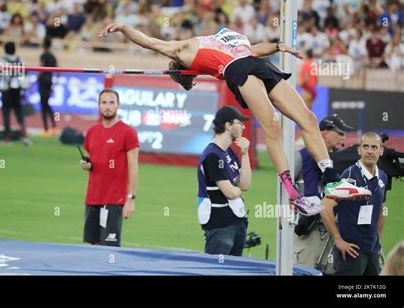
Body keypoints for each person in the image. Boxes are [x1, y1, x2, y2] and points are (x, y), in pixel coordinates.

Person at [98, 23, 370, 216]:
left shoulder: (227, 37)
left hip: (258, 64)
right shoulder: (183, 47)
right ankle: (292, 192)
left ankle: (332, 178)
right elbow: (150, 42)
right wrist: (123, 28)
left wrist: (278, 46)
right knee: (272, 125)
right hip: (237, 70)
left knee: (308, 118)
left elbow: (252, 49)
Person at [293, 114, 354, 274]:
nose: (344, 136)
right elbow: (284, 189)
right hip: (307, 231)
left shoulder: (340, 160)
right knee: (303, 271)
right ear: (325, 133)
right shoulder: (300, 157)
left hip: (333, 230)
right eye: (340, 132)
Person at [321, 132, 388, 275]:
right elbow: (325, 207)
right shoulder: (348, 176)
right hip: (351, 251)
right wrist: (338, 240)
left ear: (381, 151)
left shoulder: (382, 176)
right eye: (366, 146)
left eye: (374, 147)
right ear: (359, 150)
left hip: (372, 250)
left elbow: (382, 209)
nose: (370, 151)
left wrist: (377, 242)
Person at [80, 89, 139, 247]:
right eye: (104, 102)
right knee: (94, 246)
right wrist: (87, 165)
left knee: (110, 250)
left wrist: (131, 199)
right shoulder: (92, 132)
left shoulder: (128, 132)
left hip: (114, 200)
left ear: (118, 105)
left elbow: (133, 168)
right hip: (92, 198)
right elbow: (93, 161)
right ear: (99, 105)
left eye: (111, 102)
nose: (107, 106)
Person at [197, 106, 251, 256]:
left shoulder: (229, 152)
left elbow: (245, 184)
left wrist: (245, 154)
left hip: (237, 221)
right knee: (216, 270)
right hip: (220, 224)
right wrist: (237, 190)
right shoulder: (212, 156)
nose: (243, 126)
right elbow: (230, 193)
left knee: (234, 271)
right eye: (239, 123)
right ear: (228, 125)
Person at [0, 41, 30, 145]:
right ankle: (24, 136)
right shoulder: (21, 60)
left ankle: (7, 138)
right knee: (19, 112)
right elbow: (25, 75)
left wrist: (0, 89)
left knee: (6, 112)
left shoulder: (1, 61)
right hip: (17, 90)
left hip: (6, 90)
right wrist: (23, 89)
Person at [38, 38, 59, 136]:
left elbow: (42, 68)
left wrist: (36, 79)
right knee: (47, 105)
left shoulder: (43, 55)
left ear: (43, 45)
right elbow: (59, 71)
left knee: (43, 106)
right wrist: (55, 83)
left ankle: (46, 129)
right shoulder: (53, 56)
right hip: (50, 81)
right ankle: (54, 127)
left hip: (43, 82)